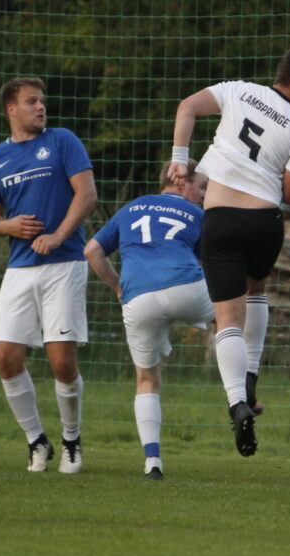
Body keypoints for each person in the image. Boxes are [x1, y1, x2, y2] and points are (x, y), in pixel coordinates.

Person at [168, 47, 290, 457]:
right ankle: (251, 375)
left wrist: (180, 160)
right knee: (256, 290)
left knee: (227, 319)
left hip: (220, 218)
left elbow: (187, 107)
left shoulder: (239, 90)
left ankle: (237, 401)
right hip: (264, 223)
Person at [0, 78, 97, 474]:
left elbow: (87, 195)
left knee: (62, 361)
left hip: (64, 265)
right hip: (19, 268)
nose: (40, 107)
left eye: (42, 101)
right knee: (5, 357)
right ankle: (37, 441)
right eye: (31, 101)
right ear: (11, 109)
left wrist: (58, 236)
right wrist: (9, 226)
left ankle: (71, 440)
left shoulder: (62, 141)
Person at [86, 162, 213, 481]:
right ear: (181, 183)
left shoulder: (131, 208)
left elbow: (92, 251)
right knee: (235, 316)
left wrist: (118, 287)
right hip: (186, 288)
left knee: (146, 380)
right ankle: (241, 396)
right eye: (201, 187)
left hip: (138, 296)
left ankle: (152, 462)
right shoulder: (198, 215)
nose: (204, 195)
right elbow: (211, 261)